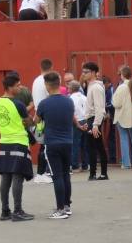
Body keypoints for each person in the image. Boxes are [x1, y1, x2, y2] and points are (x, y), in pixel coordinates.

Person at [34, 72, 81, 219]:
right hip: (67, 142)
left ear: (47, 85)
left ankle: (60, 209)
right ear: (59, 83)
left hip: (52, 143)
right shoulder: (68, 101)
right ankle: (67, 205)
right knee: (66, 174)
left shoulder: (44, 103)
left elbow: (36, 120)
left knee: (57, 176)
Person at [0, 73, 34, 222]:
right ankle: (18, 210)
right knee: (18, 176)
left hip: (4, 141)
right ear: (10, 87)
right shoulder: (18, 104)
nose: (20, 87)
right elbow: (28, 122)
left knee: (6, 176)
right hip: (19, 141)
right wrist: (31, 108)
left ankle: (5, 211)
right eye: (18, 85)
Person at [82, 62, 109, 180]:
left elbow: (99, 108)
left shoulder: (96, 87)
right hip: (91, 119)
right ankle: (96, 173)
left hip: (94, 119)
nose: (83, 74)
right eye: (83, 72)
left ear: (93, 73)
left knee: (95, 146)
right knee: (94, 146)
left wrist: (95, 124)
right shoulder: (91, 86)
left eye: (86, 72)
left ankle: (99, 173)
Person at [112, 66, 132, 169]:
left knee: (124, 138)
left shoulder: (121, 87)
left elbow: (116, 103)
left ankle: (126, 163)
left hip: (122, 116)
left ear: (122, 75)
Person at [31, 59, 52, 183]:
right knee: (45, 145)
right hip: (46, 116)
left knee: (43, 144)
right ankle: (41, 173)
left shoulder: (36, 81)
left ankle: (42, 172)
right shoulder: (47, 81)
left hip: (38, 115)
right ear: (51, 67)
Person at [70, 80, 89, 172]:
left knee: (75, 144)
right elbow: (89, 110)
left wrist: (77, 125)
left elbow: (71, 114)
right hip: (85, 120)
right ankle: (85, 165)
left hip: (76, 121)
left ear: (71, 89)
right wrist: (87, 123)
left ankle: (75, 166)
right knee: (85, 144)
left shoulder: (70, 99)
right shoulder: (85, 97)